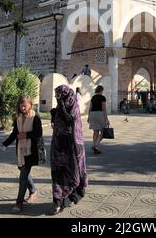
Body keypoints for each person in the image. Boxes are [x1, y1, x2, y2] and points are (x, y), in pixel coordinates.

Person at [50, 85, 88, 215]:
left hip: (72, 145)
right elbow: (56, 125)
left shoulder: (74, 105)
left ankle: (69, 197)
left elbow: (70, 120)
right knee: (57, 173)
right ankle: (57, 202)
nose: (56, 97)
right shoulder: (59, 106)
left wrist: (61, 107)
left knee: (72, 174)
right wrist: (54, 113)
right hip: (58, 146)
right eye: (56, 95)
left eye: (58, 95)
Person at [2, 95, 43, 214]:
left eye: (25, 105)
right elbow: (15, 133)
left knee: (23, 177)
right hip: (20, 150)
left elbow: (38, 133)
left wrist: (26, 135)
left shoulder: (35, 117)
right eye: (21, 105)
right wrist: (5, 144)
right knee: (24, 172)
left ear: (30, 105)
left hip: (31, 151)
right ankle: (33, 191)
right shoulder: (18, 118)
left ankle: (19, 203)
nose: (23, 107)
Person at [87, 85, 109, 155]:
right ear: (101, 90)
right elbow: (104, 109)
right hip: (100, 114)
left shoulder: (93, 97)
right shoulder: (103, 97)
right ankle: (95, 145)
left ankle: (95, 149)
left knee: (95, 132)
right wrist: (106, 119)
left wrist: (88, 117)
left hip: (93, 114)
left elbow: (90, 108)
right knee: (103, 132)